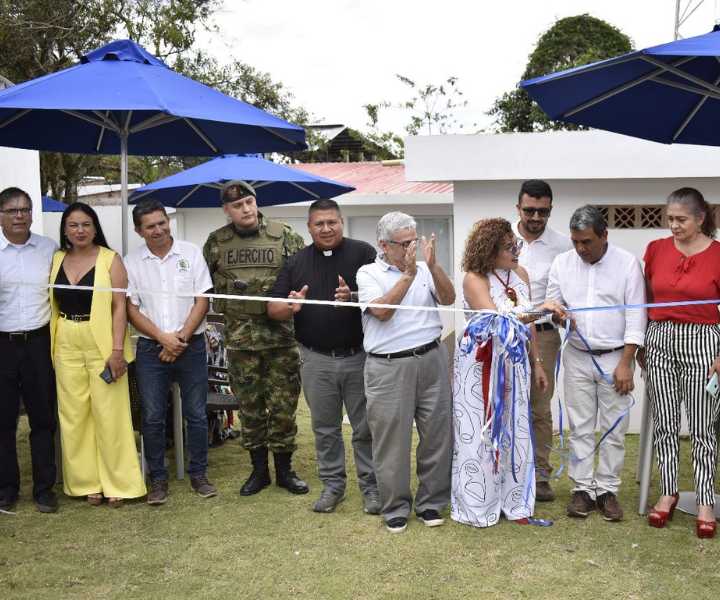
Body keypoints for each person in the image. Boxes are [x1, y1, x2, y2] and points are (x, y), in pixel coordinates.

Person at [268, 199, 379, 514]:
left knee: (365, 427)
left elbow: (384, 296)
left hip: (359, 356)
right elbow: (272, 308)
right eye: (320, 223)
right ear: (309, 227)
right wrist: (291, 305)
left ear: (342, 222)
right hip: (315, 360)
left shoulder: (364, 254)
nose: (327, 228)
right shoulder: (295, 263)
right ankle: (333, 486)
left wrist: (354, 297)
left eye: (332, 222)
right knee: (325, 427)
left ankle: (371, 488)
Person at [453, 218, 566, 528]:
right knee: (482, 431)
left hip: (514, 364)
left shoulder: (520, 275)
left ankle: (514, 502)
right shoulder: (474, 279)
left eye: (515, 245)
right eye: (508, 247)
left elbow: (526, 325)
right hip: (482, 366)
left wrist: (537, 362)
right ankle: (478, 503)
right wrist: (544, 308)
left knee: (515, 430)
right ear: (490, 250)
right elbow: (496, 318)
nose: (516, 250)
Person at [203, 180, 308, 496]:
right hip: (239, 341)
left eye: (249, 202)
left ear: (255, 202)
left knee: (283, 407)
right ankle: (258, 472)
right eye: (237, 205)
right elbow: (204, 286)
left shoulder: (285, 236)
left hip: (281, 340)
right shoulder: (215, 243)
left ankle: (285, 472)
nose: (245, 209)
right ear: (226, 210)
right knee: (249, 408)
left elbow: (305, 279)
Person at [357, 211, 455, 533]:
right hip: (388, 366)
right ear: (384, 245)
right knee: (392, 441)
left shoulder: (425, 269)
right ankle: (396, 506)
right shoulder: (367, 273)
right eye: (405, 244)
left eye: (415, 241)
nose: (411, 248)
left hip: (431, 357)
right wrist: (409, 275)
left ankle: (431, 502)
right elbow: (382, 312)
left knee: (437, 435)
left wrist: (433, 265)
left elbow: (449, 298)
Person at [546, 205, 646, 522]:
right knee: (581, 426)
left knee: (614, 429)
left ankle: (607, 490)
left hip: (617, 356)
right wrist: (558, 316)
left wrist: (627, 362)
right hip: (576, 355)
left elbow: (635, 315)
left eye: (586, 241)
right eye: (576, 241)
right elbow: (552, 304)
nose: (580, 248)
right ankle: (583, 490)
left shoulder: (627, 264)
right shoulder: (563, 263)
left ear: (605, 235)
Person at [49, 202, 145, 507]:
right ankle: (86, 482)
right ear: (65, 229)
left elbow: (120, 308)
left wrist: (118, 350)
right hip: (65, 337)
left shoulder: (110, 260)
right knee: (74, 414)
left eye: (86, 224)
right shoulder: (57, 259)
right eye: (73, 225)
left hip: (103, 342)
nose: (80, 230)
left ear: (95, 227)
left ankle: (118, 482)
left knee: (110, 413)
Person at [125, 199, 217, 505]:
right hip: (151, 349)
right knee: (152, 416)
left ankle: (199, 474)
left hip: (190, 346)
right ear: (140, 231)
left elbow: (202, 299)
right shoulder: (131, 262)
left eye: (162, 222)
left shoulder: (190, 253)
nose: (159, 230)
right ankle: (158, 480)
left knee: (196, 414)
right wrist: (163, 339)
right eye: (150, 226)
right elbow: (131, 309)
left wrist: (180, 338)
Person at [643, 187, 720, 539]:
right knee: (665, 422)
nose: (673, 225)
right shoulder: (655, 250)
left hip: (703, 341)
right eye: (670, 218)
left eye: (681, 219)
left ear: (700, 218)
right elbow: (645, 297)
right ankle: (668, 491)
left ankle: (705, 500)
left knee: (703, 427)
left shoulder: (718, 254)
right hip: (660, 339)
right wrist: (643, 343)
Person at [512, 179, 572, 501]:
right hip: (506, 335)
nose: (536, 217)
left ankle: (540, 475)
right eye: (530, 210)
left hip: (545, 337)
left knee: (539, 406)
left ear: (550, 209)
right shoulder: (501, 239)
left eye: (543, 211)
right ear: (517, 207)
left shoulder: (563, 245)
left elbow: (564, 293)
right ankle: (507, 470)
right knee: (506, 402)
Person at [0, 187, 58, 513]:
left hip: (38, 342)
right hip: (2, 344)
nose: (19, 215)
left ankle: (44, 488)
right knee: (3, 421)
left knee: (43, 418)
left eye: (24, 209)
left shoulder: (48, 249)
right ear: (0, 217)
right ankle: (7, 489)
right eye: (12, 210)